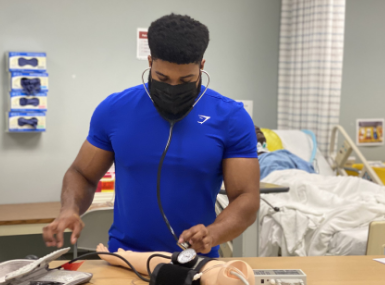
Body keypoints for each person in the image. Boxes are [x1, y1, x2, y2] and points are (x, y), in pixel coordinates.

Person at [43, 14, 260, 258]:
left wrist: (214, 233)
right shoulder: (115, 110)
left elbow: (246, 197)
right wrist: (70, 209)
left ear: (201, 66)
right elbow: (81, 174)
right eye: (162, 78)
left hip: (195, 262)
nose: (174, 88)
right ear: (150, 62)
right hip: (124, 259)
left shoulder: (231, 118)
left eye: (186, 80)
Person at [96, 243, 254, 285]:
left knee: (161, 262)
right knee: (162, 261)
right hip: (210, 268)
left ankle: (122, 257)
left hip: (211, 271)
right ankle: (122, 257)